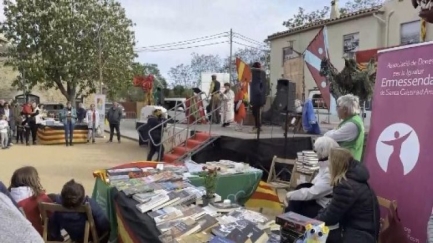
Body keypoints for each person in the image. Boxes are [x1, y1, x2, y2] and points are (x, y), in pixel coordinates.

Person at [316, 148, 380, 243]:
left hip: (357, 236)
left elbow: (330, 217)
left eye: (329, 161)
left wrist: (312, 221)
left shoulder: (345, 186)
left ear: (335, 164)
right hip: (362, 232)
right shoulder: (354, 180)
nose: (328, 165)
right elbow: (332, 209)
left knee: (314, 234)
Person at [285, 136, 339, 218]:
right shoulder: (325, 167)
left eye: (316, 151)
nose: (315, 153)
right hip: (317, 202)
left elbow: (314, 192)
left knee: (295, 203)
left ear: (323, 151)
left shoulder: (330, 171)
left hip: (322, 207)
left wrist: (291, 195)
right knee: (295, 200)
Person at [9, 166, 52, 235]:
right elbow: (52, 215)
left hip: (12, 236)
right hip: (35, 235)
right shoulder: (39, 197)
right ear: (34, 181)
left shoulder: (6, 198)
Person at [324, 94, 365, 161]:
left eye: (338, 107)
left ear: (345, 109)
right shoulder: (352, 119)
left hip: (348, 165)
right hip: (346, 163)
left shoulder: (351, 125)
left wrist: (329, 133)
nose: (336, 109)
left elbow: (329, 137)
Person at [249, 62, 267, 134]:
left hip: (257, 97)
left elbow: (257, 86)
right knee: (255, 112)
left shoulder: (257, 75)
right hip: (259, 97)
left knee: (256, 112)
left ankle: (258, 126)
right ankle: (257, 125)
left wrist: (256, 94)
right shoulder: (261, 74)